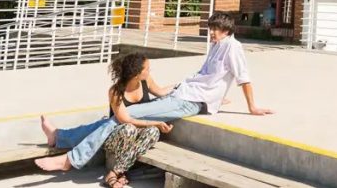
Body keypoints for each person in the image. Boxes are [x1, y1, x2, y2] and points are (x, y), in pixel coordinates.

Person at [37, 12, 273, 175]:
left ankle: (70, 159)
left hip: (188, 101)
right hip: (184, 93)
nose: (211, 33)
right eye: (210, 28)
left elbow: (244, 79)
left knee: (122, 116)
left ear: (226, 30)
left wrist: (252, 107)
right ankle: (60, 137)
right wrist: (217, 97)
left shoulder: (233, 48)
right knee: (116, 117)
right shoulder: (217, 45)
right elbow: (208, 78)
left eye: (215, 29)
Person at [100, 53, 171, 187]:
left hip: (139, 134)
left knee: (153, 132)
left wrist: (184, 87)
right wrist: (155, 122)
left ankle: (116, 172)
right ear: (136, 74)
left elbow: (161, 92)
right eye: (147, 69)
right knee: (129, 129)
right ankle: (119, 173)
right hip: (116, 136)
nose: (149, 71)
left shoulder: (146, 81)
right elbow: (125, 120)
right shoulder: (115, 91)